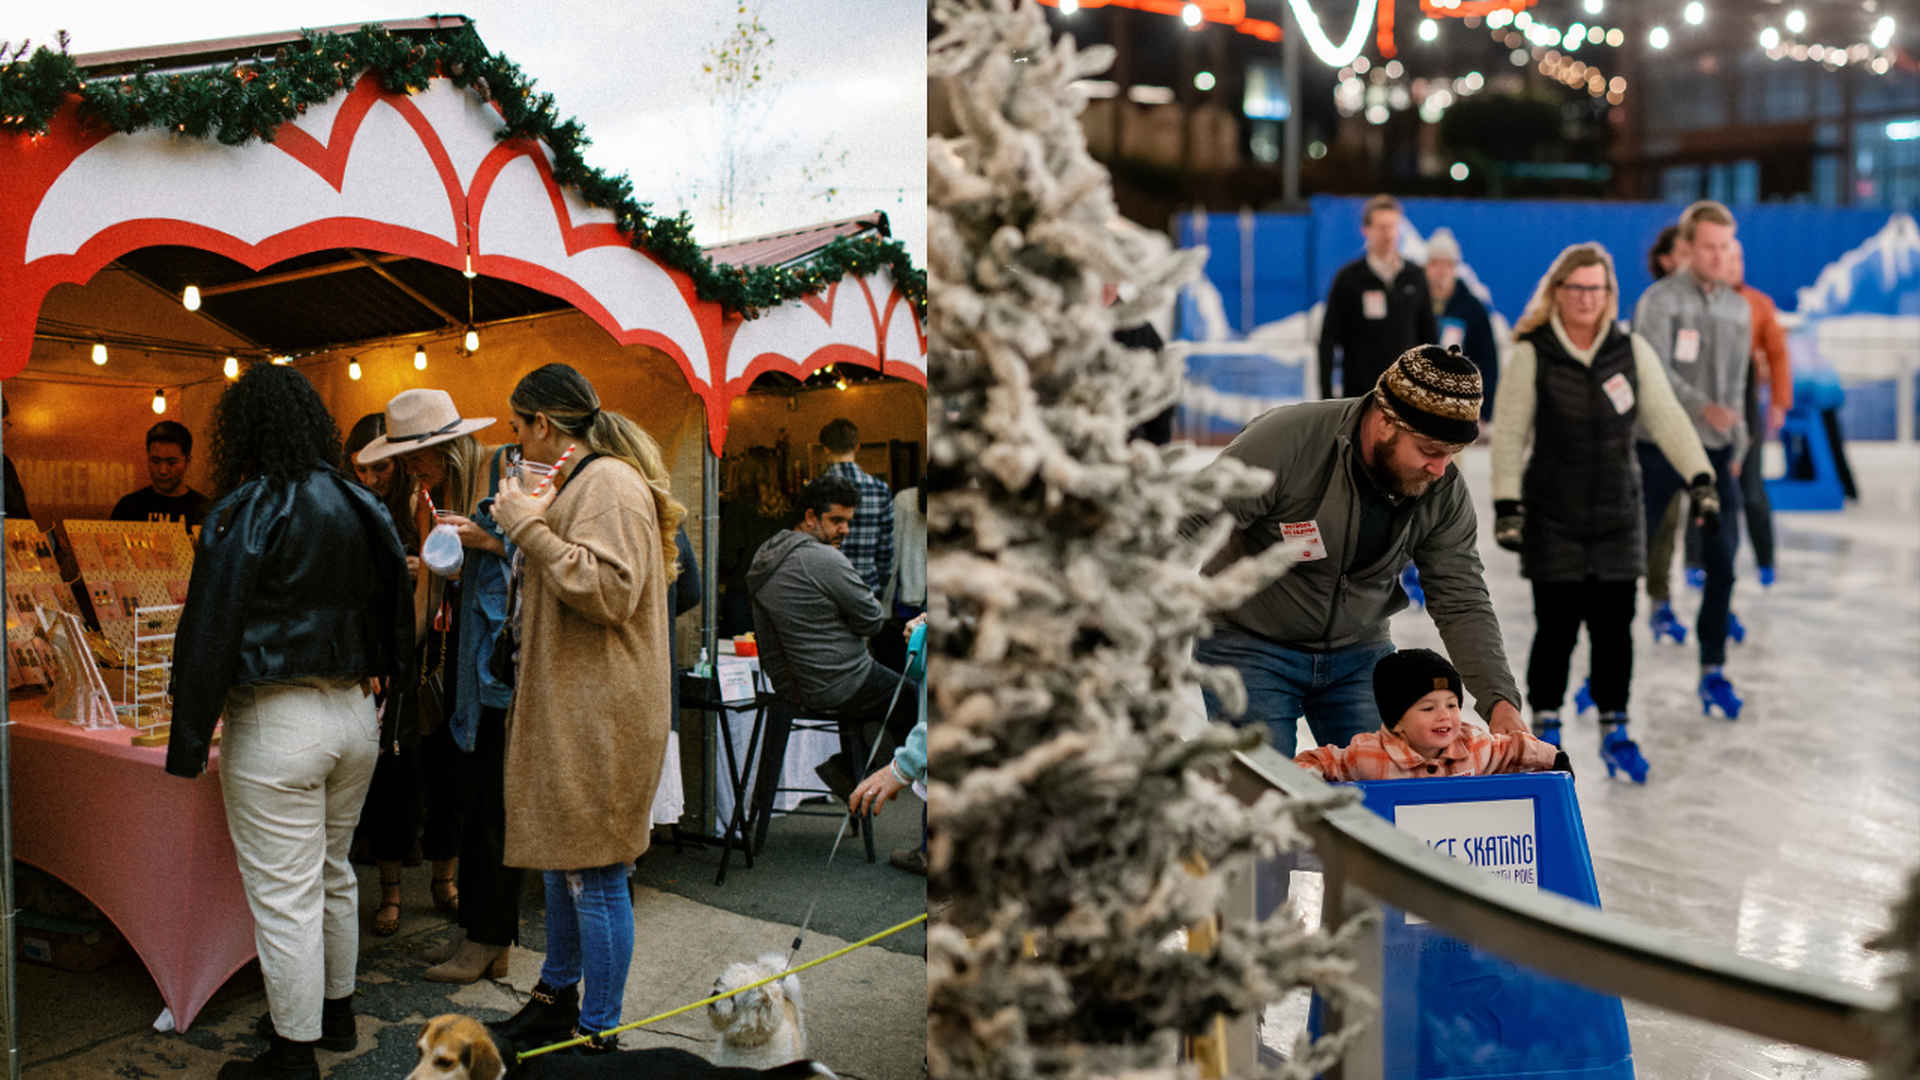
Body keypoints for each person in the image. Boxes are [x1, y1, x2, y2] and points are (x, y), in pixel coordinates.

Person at [164, 365, 410, 1079]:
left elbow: (208, 631)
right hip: (354, 714)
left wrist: (186, 742)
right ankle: (336, 1018)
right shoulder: (361, 503)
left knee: (285, 897)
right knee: (334, 874)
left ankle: (291, 1056)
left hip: (277, 721)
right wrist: (395, 713)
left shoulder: (244, 510)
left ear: (242, 430)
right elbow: (396, 605)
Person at [1193, 344, 1526, 757]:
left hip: (1358, 654)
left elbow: (1460, 596)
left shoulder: (1441, 487)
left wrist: (1500, 701)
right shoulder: (1285, 443)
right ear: (1386, 422)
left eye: (1452, 454)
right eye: (1429, 451)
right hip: (1248, 643)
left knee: (1385, 791)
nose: (1441, 470)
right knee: (1264, 800)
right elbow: (1188, 521)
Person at [484, 363, 681, 1054]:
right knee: (559, 860)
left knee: (595, 875)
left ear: (543, 424)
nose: (516, 443)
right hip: (576, 706)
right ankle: (554, 999)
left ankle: (599, 1036)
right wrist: (513, 530)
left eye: (517, 427)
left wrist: (527, 529)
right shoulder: (586, 480)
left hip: (602, 713)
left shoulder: (608, 483)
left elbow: (611, 590)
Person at [1489, 243, 1714, 783]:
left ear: (1610, 295)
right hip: (1553, 515)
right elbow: (1510, 434)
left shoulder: (1630, 350)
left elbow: (1668, 419)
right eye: (1577, 288)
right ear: (1558, 293)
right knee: (1557, 630)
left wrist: (1701, 479)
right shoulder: (1533, 353)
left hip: (1619, 513)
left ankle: (1616, 728)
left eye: (1597, 289)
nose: (1587, 299)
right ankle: (1545, 728)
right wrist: (1506, 505)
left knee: (1616, 632)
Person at [355, 389, 518, 984]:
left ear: (448, 445)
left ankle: (486, 940)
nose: (411, 468)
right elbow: (427, 594)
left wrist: (485, 541)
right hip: (455, 667)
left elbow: (541, 557)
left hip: (499, 664)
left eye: (419, 455)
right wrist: (401, 657)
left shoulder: (504, 472)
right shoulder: (431, 497)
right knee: (465, 797)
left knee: (490, 808)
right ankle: (480, 937)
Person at [1633, 200, 1752, 719]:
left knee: (1722, 563)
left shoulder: (1737, 307)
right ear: (1688, 247)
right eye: (1709, 246)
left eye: (1726, 246)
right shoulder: (1660, 301)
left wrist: (1738, 444)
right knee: (1629, 561)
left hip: (1717, 452)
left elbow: (1738, 387)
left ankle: (1713, 669)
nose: (1719, 255)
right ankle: (1600, 672)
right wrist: (1705, 409)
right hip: (1660, 447)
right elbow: (1652, 373)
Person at [747, 473, 918, 822]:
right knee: (913, 698)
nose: (845, 531)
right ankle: (857, 772)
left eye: (848, 522)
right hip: (837, 681)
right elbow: (871, 620)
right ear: (810, 517)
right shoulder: (824, 560)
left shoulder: (766, 553)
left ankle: (852, 768)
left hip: (789, 684)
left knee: (883, 698)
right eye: (836, 521)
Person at [340, 414, 429, 937]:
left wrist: (419, 569)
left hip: (403, 655)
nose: (373, 478)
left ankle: (395, 892)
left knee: (399, 773)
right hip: (356, 653)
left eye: (384, 468)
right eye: (364, 468)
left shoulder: (413, 508)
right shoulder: (341, 503)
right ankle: (356, 887)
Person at [1293, 650, 1564, 781]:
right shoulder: (1370, 755)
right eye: (1428, 708)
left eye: (1452, 705)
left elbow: (1512, 749)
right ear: (1397, 720)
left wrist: (1555, 759)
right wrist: (1307, 776)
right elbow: (1326, 760)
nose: (1444, 716)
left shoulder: (1475, 746)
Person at [1316, 194, 1438, 401]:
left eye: (1393, 226)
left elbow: (1429, 336)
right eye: (1382, 227)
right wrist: (1327, 397)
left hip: (1406, 395)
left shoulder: (1415, 276)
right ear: (1366, 230)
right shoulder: (1349, 279)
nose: (1388, 234)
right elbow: (1327, 340)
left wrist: (1430, 388)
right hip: (1361, 395)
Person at [1727, 238, 1791, 588]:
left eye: (1739, 258)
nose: (1734, 265)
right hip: (1704, 404)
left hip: (1745, 399)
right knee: (1706, 488)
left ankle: (1766, 561)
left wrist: (1779, 401)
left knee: (1752, 488)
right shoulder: (1695, 302)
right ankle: (1696, 562)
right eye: (1727, 257)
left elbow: (1778, 355)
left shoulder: (1758, 304)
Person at [1423, 228, 1499, 428]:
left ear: (1455, 267)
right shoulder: (1414, 302)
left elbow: (1488, 358)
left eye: (1447, 263)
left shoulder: (1472, 307)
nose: (1440, 270)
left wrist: (1486, 408)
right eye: (1434, 263)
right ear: (1425, 267)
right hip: (1419, 400)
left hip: (1456, 404)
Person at [718, 450, 791, 637]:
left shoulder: (737, 508)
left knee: (741, 655)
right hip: (779, 590)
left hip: (743, 592)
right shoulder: (788, 509)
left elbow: (728, 557)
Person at [819, 417, 893, 598]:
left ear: (826, 449)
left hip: (825, 588)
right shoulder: (880, 488)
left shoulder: (815, 489)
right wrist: (881, 582)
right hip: (866, 586)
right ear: (857, 447)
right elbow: (886, 548)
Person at [110, 420, 211, 529]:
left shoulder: (204, 510)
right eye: (155, 461)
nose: (163, 470)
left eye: (172, 462)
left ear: (187, 462)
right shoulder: (128, 507)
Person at [3, 397, 31, 522]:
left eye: (4, 427)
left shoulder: (4, 466)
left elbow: (23, 520)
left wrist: (49, 540)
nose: (3, 438)